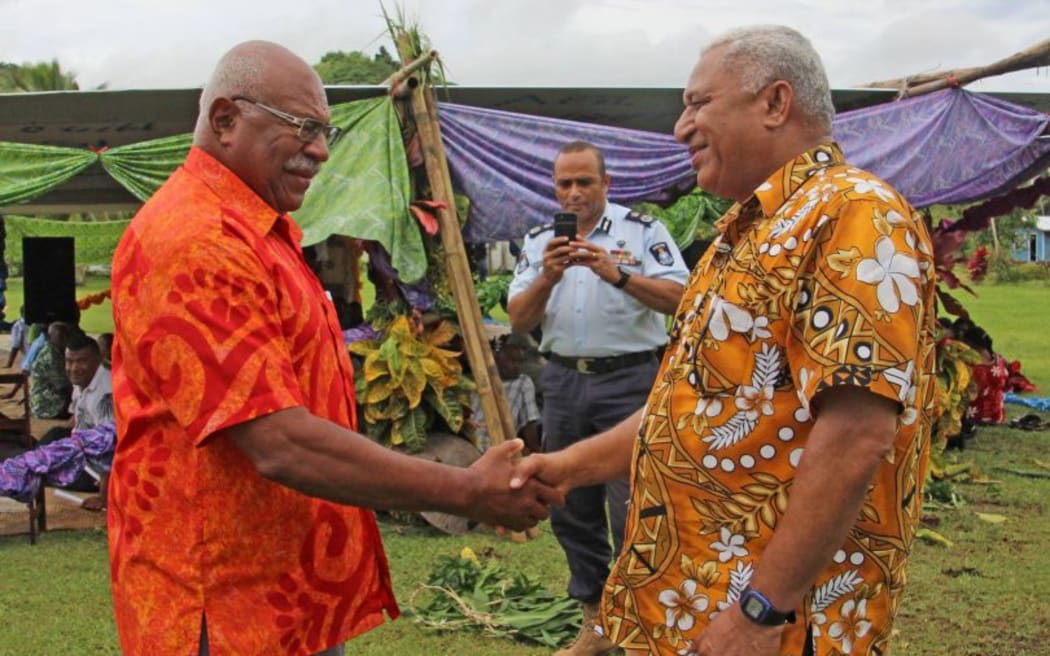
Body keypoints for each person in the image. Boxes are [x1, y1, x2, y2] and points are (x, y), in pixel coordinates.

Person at [108, 41, 560, 656]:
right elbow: (278, 441)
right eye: (301, 128)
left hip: (279, 589)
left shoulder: (255, 229)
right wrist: (464, 490)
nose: (320, 150)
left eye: (325, 131)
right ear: (225, 120)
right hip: (225, 601)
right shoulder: (199, 239)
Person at [511, 25, 937, 656]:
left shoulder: (852, 214)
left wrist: (764, 610)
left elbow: (856, 433)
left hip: (773, 620)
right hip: (701, 601)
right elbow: (693, 409)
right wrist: (563, 468)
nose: (681, 127)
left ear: (774, 102)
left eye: (697, 102)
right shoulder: (741, 236)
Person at [507, 140, 689, 654]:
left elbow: (683, 298)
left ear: (606, 184)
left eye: (585, 182)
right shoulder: (541, 241)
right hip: (563, 383)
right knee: (569, 503)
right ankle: (598, 624)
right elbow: (520, 318)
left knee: (637, 506)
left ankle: (644, 626)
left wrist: (618, 274)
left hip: (633, 380)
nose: (574, 192)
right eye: (564, 183)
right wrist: (548, 275)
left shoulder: (644, 232)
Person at [29, 321, 74, 419]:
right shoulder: (51, 356)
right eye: (60, 337)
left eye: (66, 336)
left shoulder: (57, 351)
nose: (65, 339)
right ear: (49, 338)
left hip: (51, 397)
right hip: (46, 404)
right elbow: (63, 386)